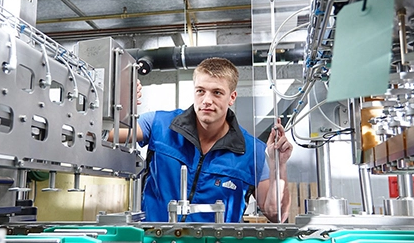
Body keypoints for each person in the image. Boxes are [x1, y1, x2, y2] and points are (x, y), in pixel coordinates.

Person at [113, 57, 292, 223]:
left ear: (232, 97)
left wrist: (279, 166)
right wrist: (118, 105)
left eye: (217, 93)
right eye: (201, 91)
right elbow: (104, 135)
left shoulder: (254, 151)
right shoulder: (157, 123)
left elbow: (277, 215)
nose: (207, 100)